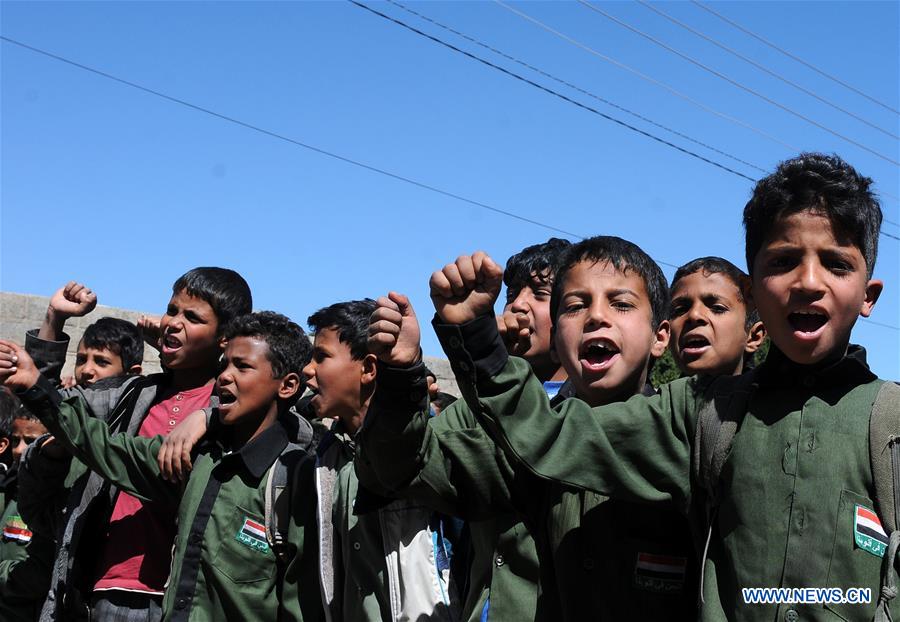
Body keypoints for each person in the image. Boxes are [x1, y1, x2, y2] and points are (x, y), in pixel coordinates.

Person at [429, 153, 891, 621]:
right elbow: (554, 437)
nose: (808, 283)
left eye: (836, 264)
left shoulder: (888, 425)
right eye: (784, 261)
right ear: (753, 290)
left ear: (868, 295)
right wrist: (480, 342)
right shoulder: (700, 414)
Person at [363, 236, 698, 620]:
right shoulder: (516, 439)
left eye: (621, 303)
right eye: (575, 306)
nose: (596, 317)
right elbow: (406, 469)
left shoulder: (688, 430)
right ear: (557, 340)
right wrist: (401, 374)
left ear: (661, 337)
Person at [0, 311, 323, 621]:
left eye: (242, 366)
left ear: (288, 385)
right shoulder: (195, 457)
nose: (225, 375)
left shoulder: (294, 479)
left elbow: (300, 601)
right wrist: (34, 385)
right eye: (225, 364)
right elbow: (104, 446)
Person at [11, 267, 251, 621]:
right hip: (103, 592)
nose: (173, 322)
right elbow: (59, 408)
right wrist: (54, 318)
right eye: (171, 311)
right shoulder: (132, 395)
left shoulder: (229, 409)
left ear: (224, 339)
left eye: (192, 317)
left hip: (177, 600)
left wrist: (205, 415)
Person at [357, 237, 571, 621]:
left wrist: (491, 363)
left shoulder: (594, 410)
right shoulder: (477, 410)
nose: (517, 305)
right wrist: (403, 371)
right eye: (511, 293)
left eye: (540, 294)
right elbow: (398, 468)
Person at [27, 281, 143, 388]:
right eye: (81, 360)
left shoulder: (141, 409)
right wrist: (54, 315)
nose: (86, 371)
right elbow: (41, 383)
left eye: (102, 362)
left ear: (132, 374)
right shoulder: (71, 407)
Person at [0, 391, 54, 621]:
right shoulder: (8, 490)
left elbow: (37, 576)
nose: (20, 449)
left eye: (31, 441)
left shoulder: (55, 500)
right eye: (16, 440)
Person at [668, 257, 766, 376]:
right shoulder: (658, 395)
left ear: (754, 337)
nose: (694, 315)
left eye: (718, 308)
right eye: (680, 310)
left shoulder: (780, 394)